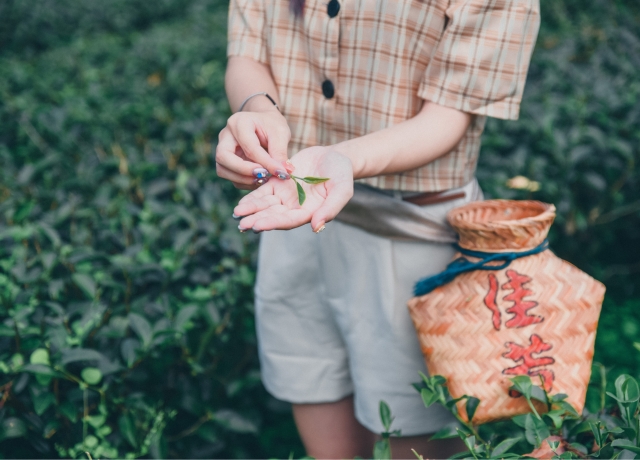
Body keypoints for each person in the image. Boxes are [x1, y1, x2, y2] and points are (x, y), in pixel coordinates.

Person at [216, 0, 540, 457]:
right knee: (316, 395)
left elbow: (448, 116)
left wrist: (345, 160)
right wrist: (258, 114)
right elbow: (248, 54)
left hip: (411, 236)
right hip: (293, 214)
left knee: (412, 426)